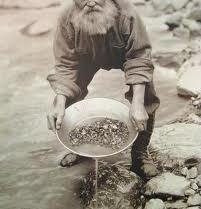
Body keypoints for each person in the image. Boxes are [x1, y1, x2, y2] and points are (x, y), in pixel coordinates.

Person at [47, 0, 160, 179]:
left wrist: (137, 104)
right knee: (66, 98)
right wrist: (59, 100)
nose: (91, 3)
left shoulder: (127, 13)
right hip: (85, 56)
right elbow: (65, 64)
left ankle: (139, 156)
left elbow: (139, 58)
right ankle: (78, 147)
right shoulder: (66, 17)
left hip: (123, 55)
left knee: (145, 95)